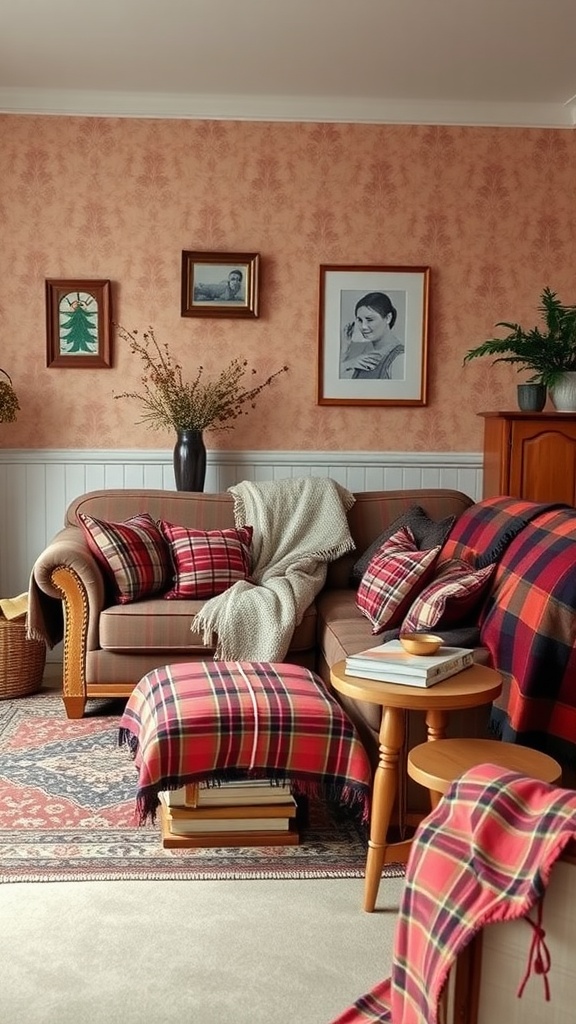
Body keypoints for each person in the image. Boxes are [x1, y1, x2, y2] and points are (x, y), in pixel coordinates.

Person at [340, 291, 405, 379]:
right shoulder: (361, 350)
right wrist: (345, 348)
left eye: (369, 320)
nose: (363, 327)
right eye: (360, 320)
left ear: (388, 318)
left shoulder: (399, 357)